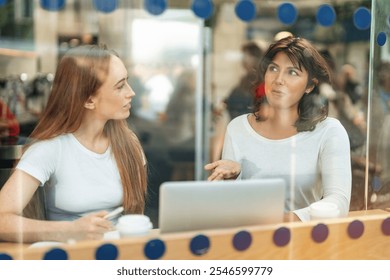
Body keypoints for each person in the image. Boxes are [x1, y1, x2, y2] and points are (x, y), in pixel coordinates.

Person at [0, 44, 147, 243]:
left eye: (127, 82)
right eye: (120, 86)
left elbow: (136, 220)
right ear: (88, 100)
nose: (131, 93)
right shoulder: (50, 149)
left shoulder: (129, 144)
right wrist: (68, 230)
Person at [205, 36, 352, 221]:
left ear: (310, 86)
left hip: (304, 242)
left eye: (292, 72)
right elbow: (227, 209)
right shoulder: (237, 128)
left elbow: (338, 202)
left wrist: (283, 221)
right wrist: (232, 181)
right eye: (273, 69)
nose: (279, 80)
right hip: (249, 241)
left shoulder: (329, 131)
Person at [224, 41, 263, 121]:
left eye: (246, 55)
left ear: (254, 57)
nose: (243, 59)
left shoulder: (257, 79)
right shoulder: (245, 79)